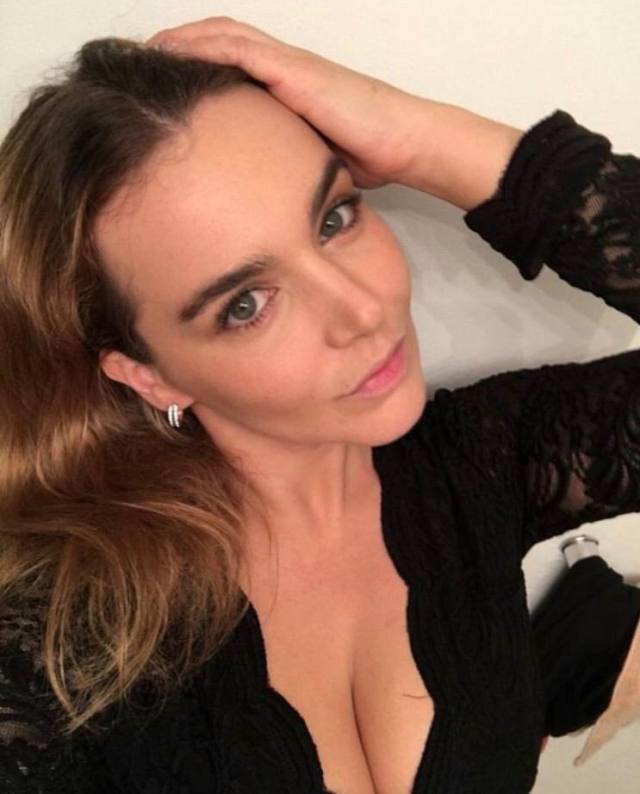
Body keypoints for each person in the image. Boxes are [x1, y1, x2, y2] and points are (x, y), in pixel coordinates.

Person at [0, 15, 638, 794]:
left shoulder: (477, 466)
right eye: (245, 304)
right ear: (150, 376)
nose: (363, 310)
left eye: (335, 217)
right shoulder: (64, 635)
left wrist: (416, 134)